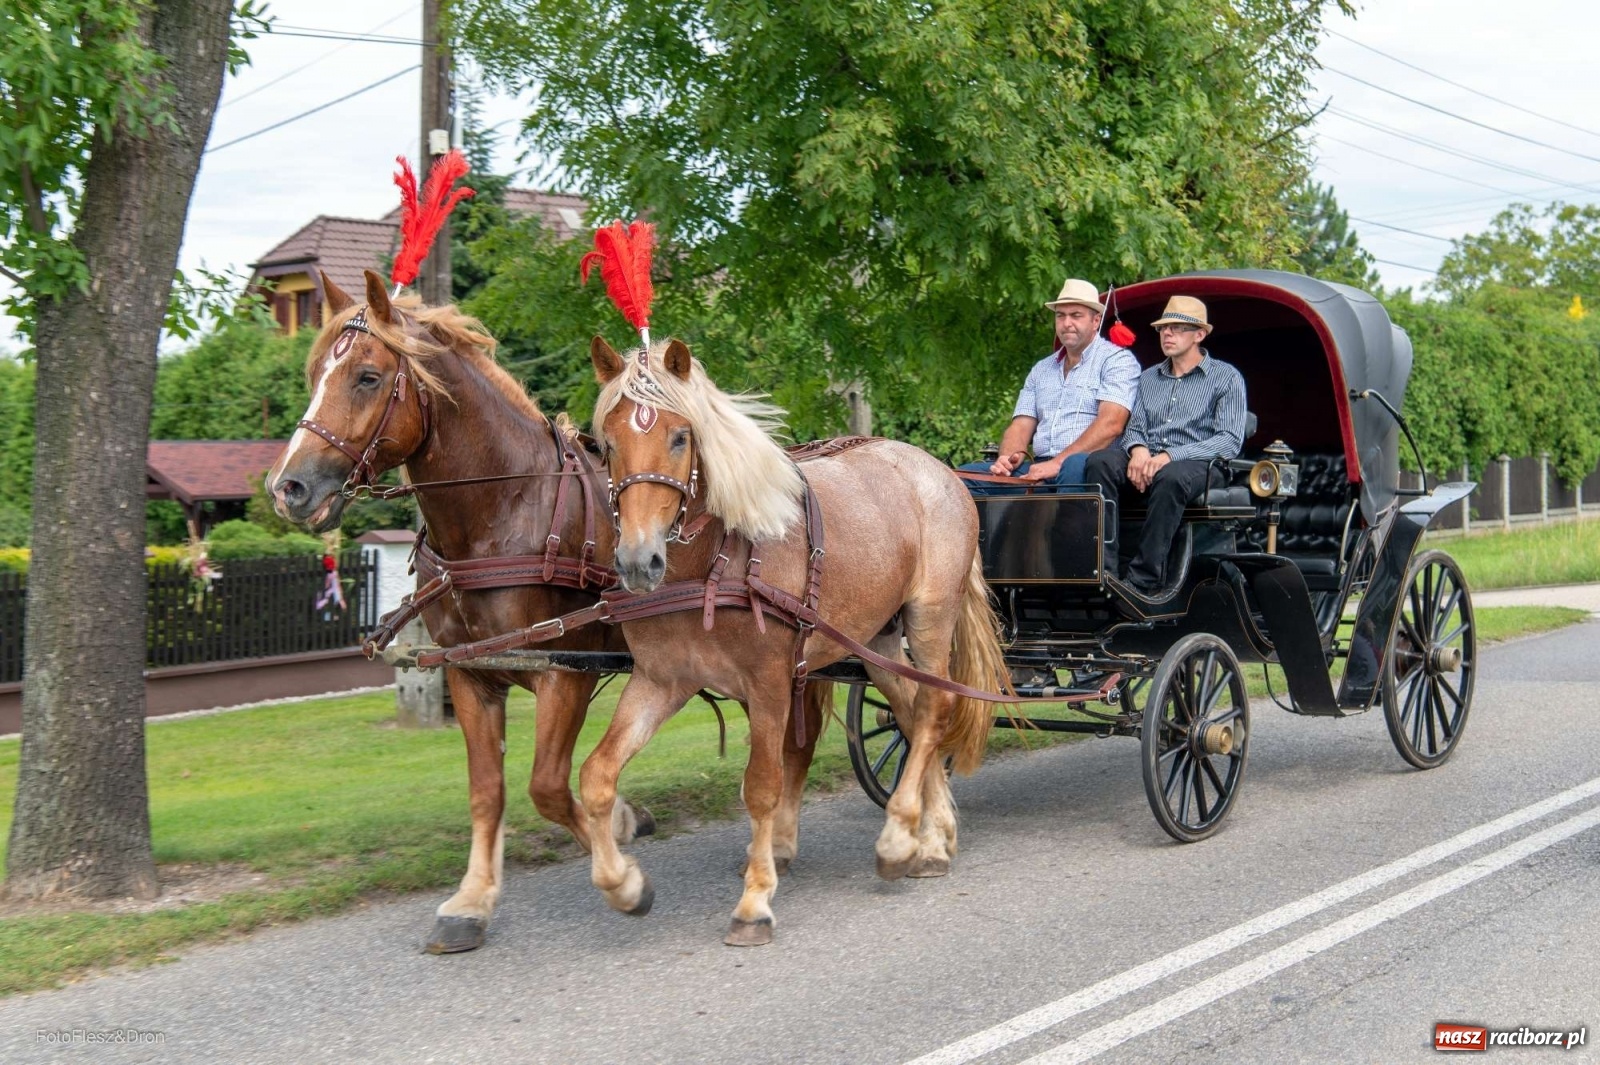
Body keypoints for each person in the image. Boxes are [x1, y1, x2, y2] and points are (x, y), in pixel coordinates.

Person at [1085, 295, 1247, 596]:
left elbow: (1228, 441)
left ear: (1199, 335)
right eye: (1163, 329)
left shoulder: (1227, 378)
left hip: (1202, 465)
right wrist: (1139, 451)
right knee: (1099, 462)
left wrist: (1169, 456)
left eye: (1176, 328)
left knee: (1171, 477)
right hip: (1149, 459)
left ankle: (1144, 579)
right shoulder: (1148, 378)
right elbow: (1135, 427)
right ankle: (1103, 571)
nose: (1167, 334)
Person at [960, 278, 1139, 492]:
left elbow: (1111, 424)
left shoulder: (1117, 360)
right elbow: (1020, 425)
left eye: (1076, 315)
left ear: (1096, 321)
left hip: (1088, 465)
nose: (1066, 323)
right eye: (1060, 316)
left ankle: (1069, 525)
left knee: (1073, 467)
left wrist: (1057, 463)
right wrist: (1008, 458)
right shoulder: (1041, 369)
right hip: (1040, 466)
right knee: (962, 479)